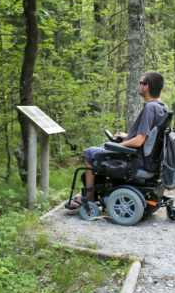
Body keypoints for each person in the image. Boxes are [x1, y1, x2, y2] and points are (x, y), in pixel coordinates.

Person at [70, 71, 169, 207]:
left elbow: (139, 141)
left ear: (146, 87)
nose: (139, 86)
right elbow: (150, 137)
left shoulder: (150, 108)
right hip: (150, 160)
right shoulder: (162, 107)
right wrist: (127, 136)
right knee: (101, 149)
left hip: (137, 160)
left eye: (140, 83)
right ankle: (90, 191)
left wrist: (115, 145)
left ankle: (90, 197)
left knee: (89, 153)